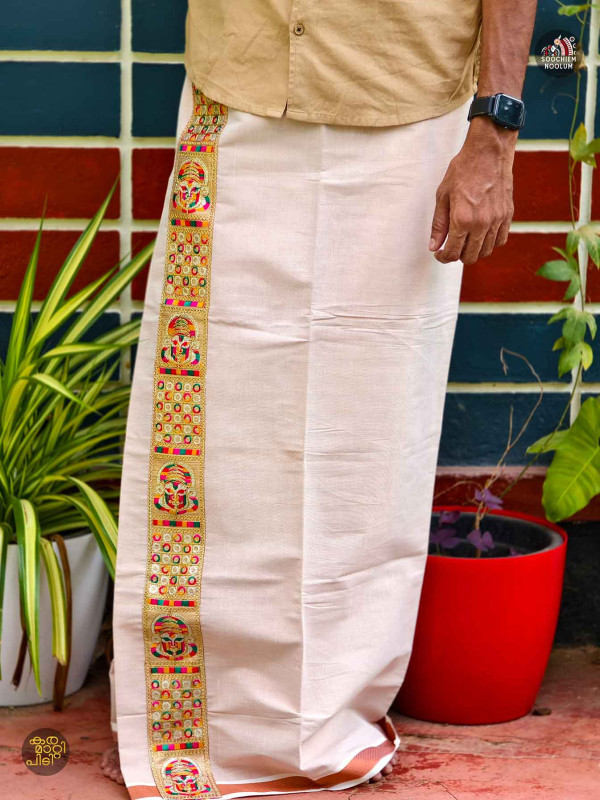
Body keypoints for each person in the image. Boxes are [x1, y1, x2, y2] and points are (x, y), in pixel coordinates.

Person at [105, 1, 537, 797]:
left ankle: (328, 718)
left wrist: (495, 130)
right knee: (217, 422)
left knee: (369, 431)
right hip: (242, 82)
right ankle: (194, 724)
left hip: (408, 104)